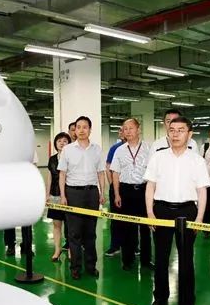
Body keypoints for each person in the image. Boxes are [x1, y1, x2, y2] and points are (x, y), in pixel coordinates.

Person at [144, 117, 210, 305]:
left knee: (186, 259)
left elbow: (202, 191)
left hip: (187, 212)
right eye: (172, 130)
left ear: (189, 134)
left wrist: (199, 219)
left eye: (181, 130)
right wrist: (150, 213)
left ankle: (188, 303)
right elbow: (150, 186)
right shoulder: (158, 157)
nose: (175, 134)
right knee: (161, 258)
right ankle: (160, 298)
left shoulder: (197, 161)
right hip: (161, 211)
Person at [59, 116, 105, 280]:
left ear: (90, 130)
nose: (81, 130)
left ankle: (91, 266)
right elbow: (62, 174)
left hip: (92, 193)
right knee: (74, 233)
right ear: (75, 130)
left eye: (85, 127)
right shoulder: (67, 150)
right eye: (78, 127)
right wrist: (63, 195)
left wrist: (102, 193)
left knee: (90, 233)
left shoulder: (97, 149)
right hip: (73, 193)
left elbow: (101, 172)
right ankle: (75, 267)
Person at [111, 118, 153, 271]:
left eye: (131, 128)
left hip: (144, 190)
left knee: (146, 228)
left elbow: (154, 173)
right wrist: (117, 194)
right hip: (126, 191)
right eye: (125, 129)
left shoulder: (149, 149)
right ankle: (127, 260)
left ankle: (146, 260)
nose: (127, 131)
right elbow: (115, 173)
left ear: (138, 129)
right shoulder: (119, 150)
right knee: (127, 227)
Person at [46, 132, 72, 262]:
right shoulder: (52, 159)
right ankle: (57, 249)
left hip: (69, 194)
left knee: (70, 224)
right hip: (55, 194)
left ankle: (71, 250)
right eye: (59, 141)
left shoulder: (71, 157)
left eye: (65, 141)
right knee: (56, 224)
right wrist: (47, 194)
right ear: (56, 144)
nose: (62, 143)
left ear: (69, 144)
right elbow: (50, 177)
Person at [104, 127, 125, 257]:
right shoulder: (115, 148)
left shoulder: (140, 147)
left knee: (132, 219)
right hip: (116, 187)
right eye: (120, 131)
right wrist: (112, 185)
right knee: (115, 218)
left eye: (126, 130)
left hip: (132, 188)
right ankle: (115, 245)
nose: (122, 133)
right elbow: (108, 167)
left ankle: (133, 246)